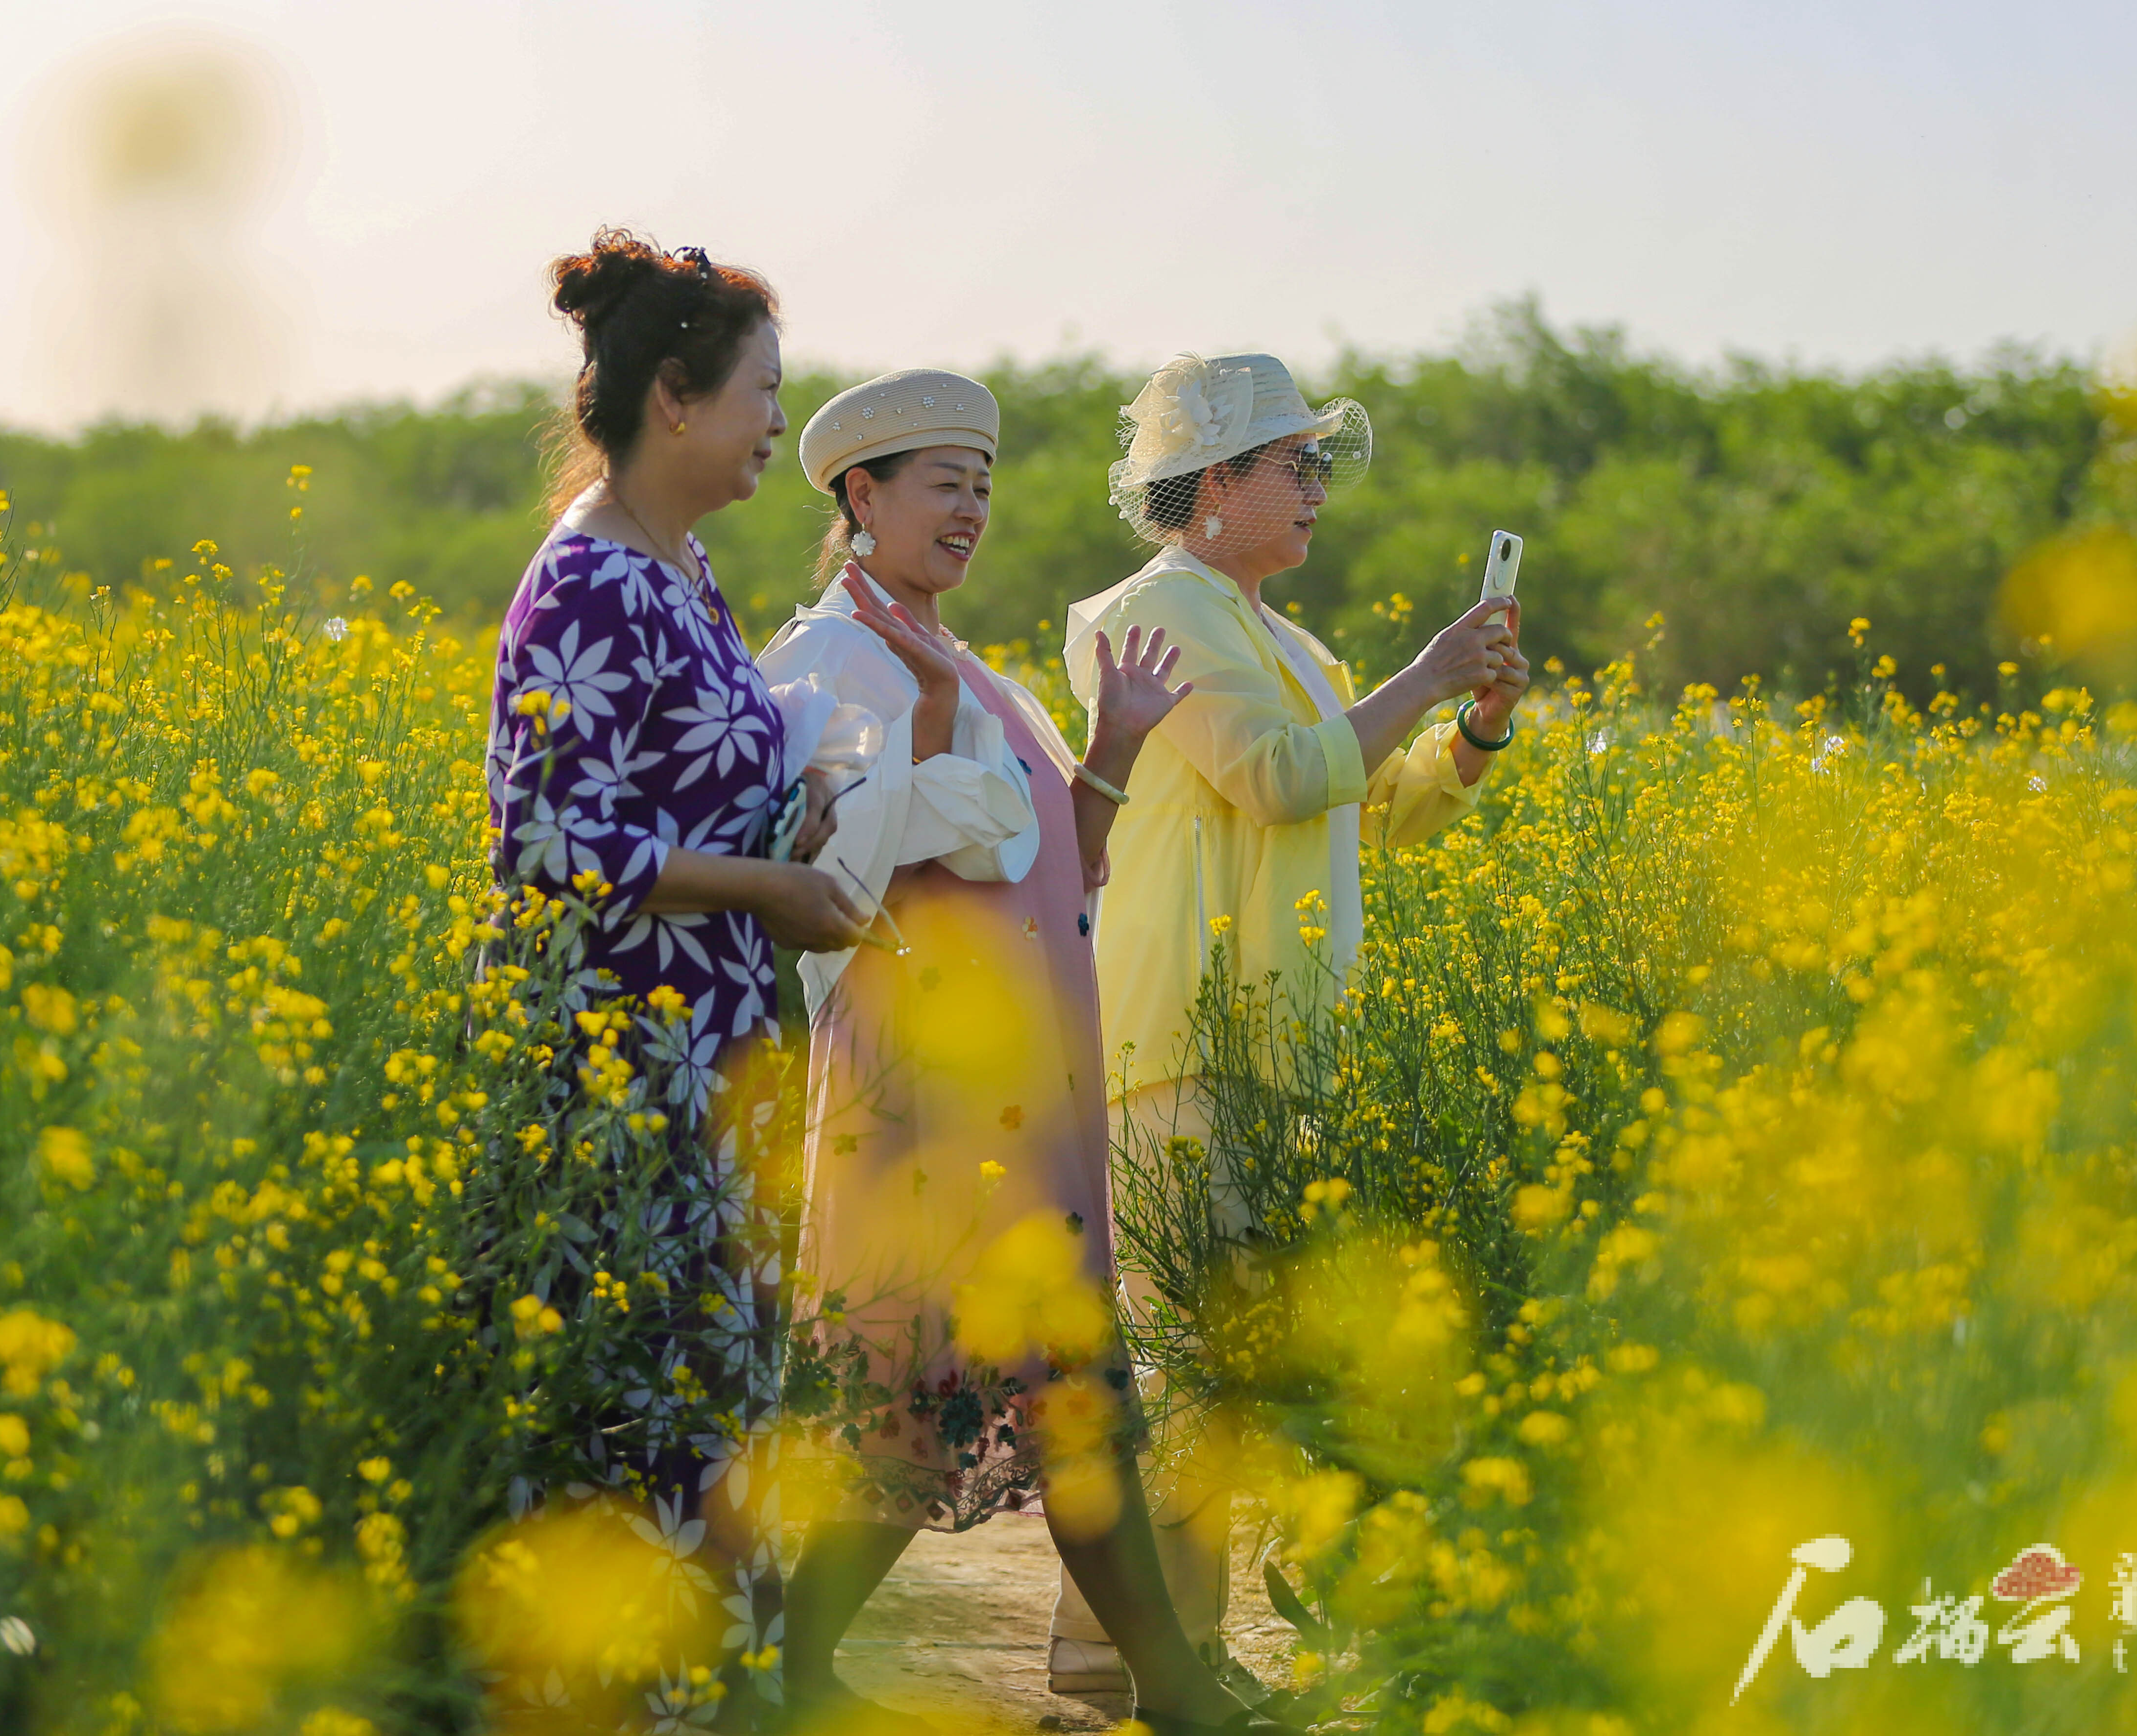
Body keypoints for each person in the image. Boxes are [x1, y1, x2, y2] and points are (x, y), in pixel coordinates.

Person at [756, 370, 1278, 1736]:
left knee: (1028, 1386)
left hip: (1028, 1072)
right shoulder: (825, 662)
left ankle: (811, 1670)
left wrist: (1107, 748)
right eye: (943, 482)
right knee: (935, 1386)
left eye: (983, 485)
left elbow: (1067, 872)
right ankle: (1149, 1687)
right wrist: (927, 739)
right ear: (859, 498)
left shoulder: (970, 662)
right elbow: (828, 878)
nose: (971, 510)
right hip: (927, 1079)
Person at [1050, 352, 1531, 1686]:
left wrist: (1473, 732)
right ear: (1213, 483)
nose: (1318, 488)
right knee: (1198, 1362)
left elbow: (1380, 808)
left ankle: (1121, 1655)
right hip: (1185, 1033)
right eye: (1294, 464)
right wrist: (1425, 676)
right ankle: (1174, 1658)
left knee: (1212, 1360)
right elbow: (1275, 781)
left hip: (1268, 1039)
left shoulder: (1281, 635)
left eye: (1321, 461)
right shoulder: (1152, 613)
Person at [486, 229, 859, 1730]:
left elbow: (669, 802)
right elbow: (546, 840)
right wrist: (770, 884)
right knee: (639, 1412)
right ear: (676, 398)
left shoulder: (685, 566)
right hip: (621, 1077)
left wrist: (799, 818)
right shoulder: (586, 580)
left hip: (714, 1058)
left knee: (713, 1405)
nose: (780, 420)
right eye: (764, 390)